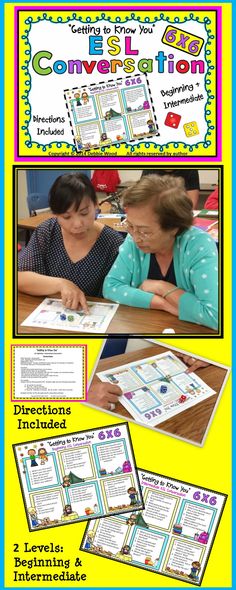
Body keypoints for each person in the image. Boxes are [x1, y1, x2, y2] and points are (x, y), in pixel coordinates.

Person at [103, 175, 218, 330]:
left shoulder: (198, 245)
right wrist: (163, 303)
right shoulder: (133, 240)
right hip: (147, 329)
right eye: (130, 226)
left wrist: (161, 287)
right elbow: (111, 288)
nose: (136, 238)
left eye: (145, 232)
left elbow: (214, 315)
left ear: (173, 227)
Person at [18, 173, 124, 310]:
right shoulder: (47, 231)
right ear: (55, 215)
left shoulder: (113, 243)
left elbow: (119, 294)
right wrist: (61, 284)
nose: (77, 224)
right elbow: (19, 277)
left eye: (84, 213)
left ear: (96, 205)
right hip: (47, 316)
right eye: (66, 217)